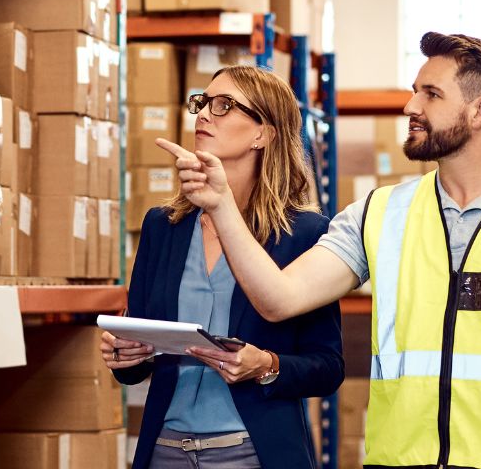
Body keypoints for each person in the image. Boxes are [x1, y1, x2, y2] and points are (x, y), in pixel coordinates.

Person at [159, 33, 481, 469]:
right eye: (414, 91)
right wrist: (220, 204)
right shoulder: (379, 212)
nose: (411, 106)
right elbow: (278, 299)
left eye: (431, 95)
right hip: (400, 460)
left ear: (480, 111)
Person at [101, 65, 345, 469]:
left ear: (262, 134)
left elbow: (328, 367)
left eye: (224, 105)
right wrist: (127, 355)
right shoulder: (163, 227)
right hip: (165, 450)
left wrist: (266, 366)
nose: (203, 115)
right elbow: (138, 361)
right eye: (202, 103)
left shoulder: (304, 235)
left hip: (253, 452)